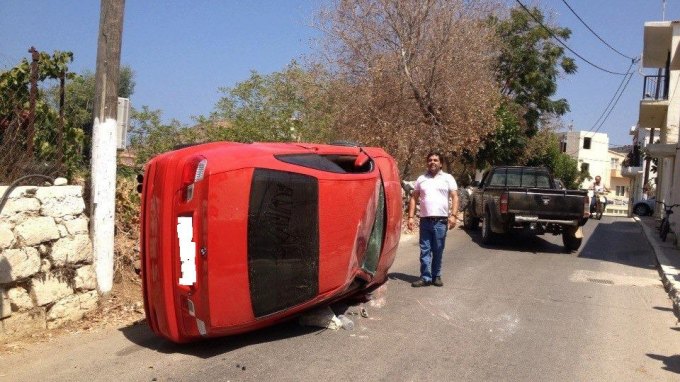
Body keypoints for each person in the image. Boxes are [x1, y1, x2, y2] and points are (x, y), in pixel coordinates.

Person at [407, 152, 459, 287]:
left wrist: (453, 215)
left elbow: (455, 197)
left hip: (441, 221)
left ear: (441, 163)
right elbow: (414, 197)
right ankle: (425, 277)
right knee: (425, 250)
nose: (432, 162)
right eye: (430, 160)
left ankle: (436, 276)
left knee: (438, 250)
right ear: (427, 163)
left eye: (436, 160)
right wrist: (411, 217)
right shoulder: (421, 179)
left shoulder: (448, 178)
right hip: (425, 221)